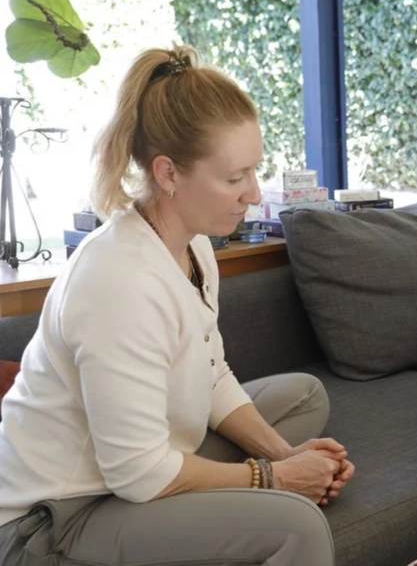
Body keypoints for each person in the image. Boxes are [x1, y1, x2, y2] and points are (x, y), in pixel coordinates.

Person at [0, 46, 353, 566]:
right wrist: (274, 478)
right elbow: (138, 473)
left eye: (253, 173)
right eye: (235, 178)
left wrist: (287, 454)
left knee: (303, 397)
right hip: (58, 516)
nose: (252, 194)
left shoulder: (195, 245)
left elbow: (210, 373)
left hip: (130, 469)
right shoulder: (118, 283)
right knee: (297, 527)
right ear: (167, 174)